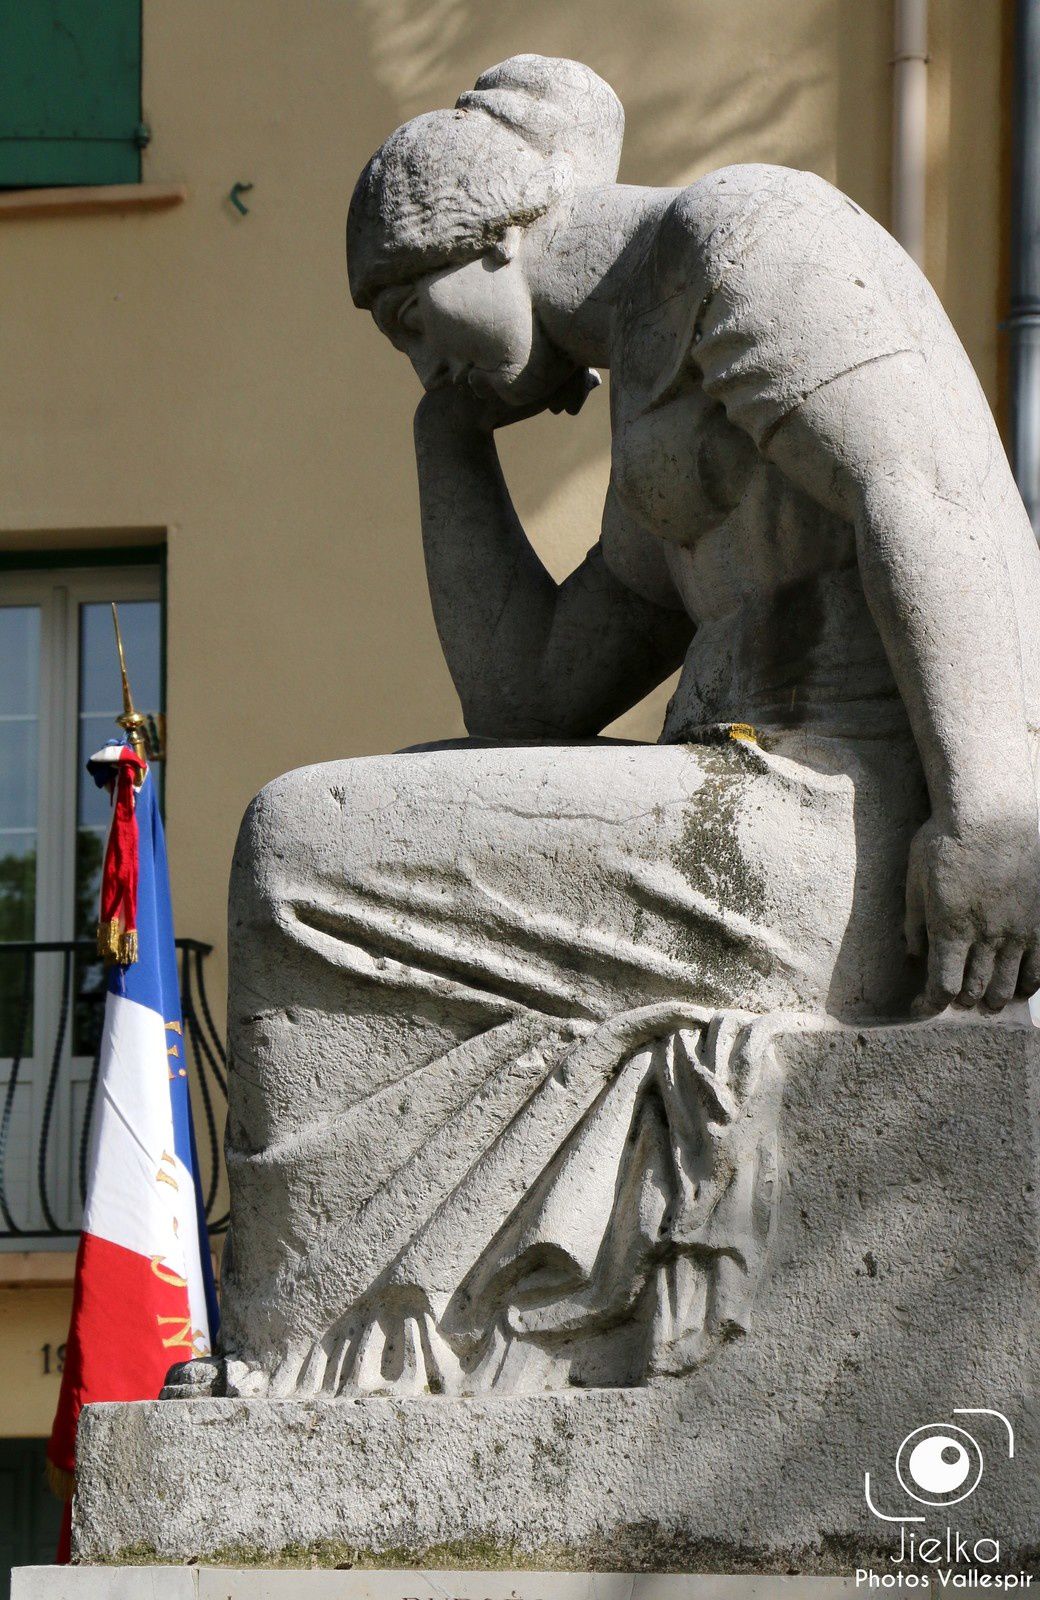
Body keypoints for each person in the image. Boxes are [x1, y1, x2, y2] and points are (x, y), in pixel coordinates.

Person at [202, 56, 1040, 1399]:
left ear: (486, 243)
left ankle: (312, 1344)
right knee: (365, 817)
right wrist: (446, 441)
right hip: (749, 825)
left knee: (300, 847)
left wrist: (994, 811)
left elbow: (932, 488)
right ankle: (356, 1339)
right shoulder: (657, 412)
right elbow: (525, 699)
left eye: (410, 323)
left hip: (839, 837)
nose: (423, 364)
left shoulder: (749, 238)